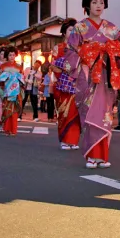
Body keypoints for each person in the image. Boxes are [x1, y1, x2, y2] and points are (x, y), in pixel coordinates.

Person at [63, 0, 120, 169]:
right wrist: (84, 61)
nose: (98, 6)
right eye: (94, 2)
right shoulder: (80, 27)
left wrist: (112, 56)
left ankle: (103, 156)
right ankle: (92, 156)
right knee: (91, 113)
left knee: (105, 115)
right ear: (87, 5)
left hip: (106, 74)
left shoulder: (113, 29)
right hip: (88, 74)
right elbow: (70, 51)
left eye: (101, 2)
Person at [52, 20, 81, 151]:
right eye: (70, 30)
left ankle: (73, 140)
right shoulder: (58, 48)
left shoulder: (80, 47)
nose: (73, 33)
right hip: (63, 85)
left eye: (75, 30)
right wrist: (66, 67)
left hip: (79, 85)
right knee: (64, 113)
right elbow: (53, 66)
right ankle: (64, 139)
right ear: (64, 32)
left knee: (77, 114)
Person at [0, 60, 24, 136]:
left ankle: (13, 130)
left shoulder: (19, 68)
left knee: (14, 112)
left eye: (13, 55)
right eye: (10, 55)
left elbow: (22, 81)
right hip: (7, 93)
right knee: (7, 111)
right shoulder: (3, 68)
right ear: (7, 56)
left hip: (16, 94)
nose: (11, 57)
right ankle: (7, 129)